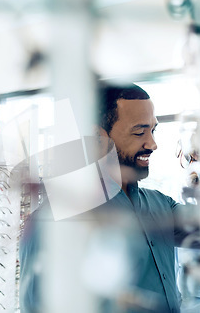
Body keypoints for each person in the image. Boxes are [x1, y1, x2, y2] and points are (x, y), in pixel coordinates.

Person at [20, 82, 189, 313]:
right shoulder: (53, 221)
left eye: (153, 130)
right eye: (139, 132)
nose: (152, 144)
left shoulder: (162, 205)